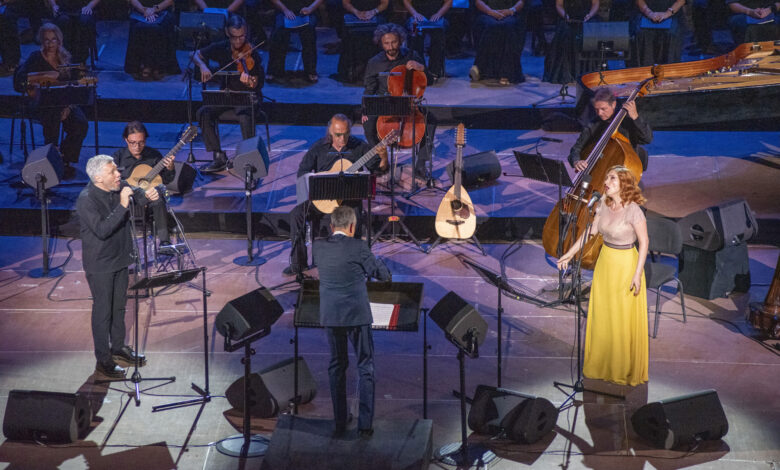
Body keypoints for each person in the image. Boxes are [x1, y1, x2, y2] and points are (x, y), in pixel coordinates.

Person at [556, 165, 649, 386]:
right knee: (604, 314)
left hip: (626, 264)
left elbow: (644, 242)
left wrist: (637, 274)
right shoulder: (603, 205)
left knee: (620, 317)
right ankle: (601, 365)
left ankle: (620, 368)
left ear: (624, 184)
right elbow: (589, 233)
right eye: (606, 178)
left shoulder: (633, 210)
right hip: (605, 263)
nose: (606, 182)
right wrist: (569, 254)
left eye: (612, 178)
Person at [312, 205, 392, 437]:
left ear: (331, 226)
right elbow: (383, 275)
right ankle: (365, 425)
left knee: (337, 365)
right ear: (352, 227)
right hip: (357, 315)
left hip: (331, 315)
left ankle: (339, 421)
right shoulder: (359, 247)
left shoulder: (318, 247)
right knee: (365, 366)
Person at [77, 155, 157, 378]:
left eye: (116, 170)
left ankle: (119, 347)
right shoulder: (86, 200)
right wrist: (123, 204)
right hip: (101, 264)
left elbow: (135, 194)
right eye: (112, 172)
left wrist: (147, 196)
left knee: (119, 307)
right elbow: (102, 230)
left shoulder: (118, 186)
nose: (118, 175)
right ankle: (103, 360)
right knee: (103, 311)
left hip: (120, 258)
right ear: (98, 178)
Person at [285, 113, 387, 276]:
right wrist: (318, 180)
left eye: (346, 134)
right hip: (322, 198)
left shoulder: (359, 147)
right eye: (338, 135)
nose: (342, 139)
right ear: (330, 132)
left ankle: (352, 264)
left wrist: (383, 156)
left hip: (347, 200)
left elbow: (379, 170)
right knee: (296, 215)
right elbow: (302, 172)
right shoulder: (318, 148)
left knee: (355, 217)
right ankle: (298, 264)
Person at [14, 23, 89, 178]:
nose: (50, 44)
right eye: (46, 40)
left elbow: (72, 86)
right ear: (42, 41)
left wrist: (68, 107)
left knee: (80, 123)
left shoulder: (66, 58)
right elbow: (19, 80)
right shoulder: (35, 57)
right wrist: (38, 81)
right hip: (42, 104)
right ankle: (50, 159)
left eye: (53, 39)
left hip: (65, 103)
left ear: (59, 40)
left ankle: (65, 159)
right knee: (53, 117)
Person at [362, 23, 437, 178]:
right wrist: (365, 109)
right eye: (386, 43)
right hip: (386, 104)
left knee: (431, 121)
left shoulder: (412, 55)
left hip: (409, 103)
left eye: (394, 42)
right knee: (368, 123)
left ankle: (421, 164)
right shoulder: (374, 62)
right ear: (381, 43)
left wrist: (421, 67)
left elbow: (429, 80)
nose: (391, 47)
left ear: (401, 40)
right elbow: (369, 89)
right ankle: (380, 160)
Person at [193, 14, 264, 173]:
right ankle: (219, 156)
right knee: (203, 112)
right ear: (227, 33)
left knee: (244, 116)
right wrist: (203, 66)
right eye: (234, 37)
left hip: (248, 99)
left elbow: (257, 83)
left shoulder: (253, 52)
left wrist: (249, 81)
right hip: (227, 97)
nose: (238, 41)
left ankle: (249, 159)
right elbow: (195, 55)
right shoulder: (221, 47)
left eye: (242, 36)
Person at [112, 121, 176, 248]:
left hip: (151, 198)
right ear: (126, 140)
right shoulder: (118, 157)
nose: (137, 146)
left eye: (141, 142)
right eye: (133, 142)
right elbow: (113, 181)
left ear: (145, 140)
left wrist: (170, 168)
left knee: (158, 198)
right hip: (128, 199)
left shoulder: (154, 155)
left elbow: (166, 180)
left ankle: (165, 242)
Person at [568, 87, 652, 172]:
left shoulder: (627, 121)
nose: (599, 113)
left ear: (613, 104)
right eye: (596, 109)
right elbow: (576, 149)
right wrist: (576, 161)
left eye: (603, 109)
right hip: (601, 168)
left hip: (625, 170)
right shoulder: (593, 124)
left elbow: (647, 139)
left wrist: (635, 117)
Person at [469, 0, 527, 85]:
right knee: (491, 25)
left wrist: (511, 10)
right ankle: (480, 68)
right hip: (487, 12)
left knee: (508, 26)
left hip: (510, 13)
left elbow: (521, 1)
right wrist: (490, 12)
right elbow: (478, 1)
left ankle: (507, 72)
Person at [543, 0, 599, 84]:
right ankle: (566, 73)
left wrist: (590, 15)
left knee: (590, 31)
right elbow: (559, 5)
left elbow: (595, 4)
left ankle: (588, 72)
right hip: (568, 17)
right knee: (565, 32)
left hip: (587, 17)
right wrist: (565, 16)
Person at [267, 0, 323, 83]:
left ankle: (310, 71)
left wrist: (310, 8)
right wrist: (285, 9)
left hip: (307, 9)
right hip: (284, 9)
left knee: (309, 31)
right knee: (279, 30)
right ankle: (275, 70)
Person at [125, 0, 181, 80]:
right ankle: (143, 65)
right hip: (141, 11)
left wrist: (154, 10)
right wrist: (144, 11)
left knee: (158, 27)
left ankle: (158, 66)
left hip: (162, 10)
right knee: (140, 26)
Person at [336, 0, 388, 83]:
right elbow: (345, 3)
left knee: (378, 31)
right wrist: (356, 12)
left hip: (376, 13)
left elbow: (385, 3)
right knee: (350, 32)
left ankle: (375, 70)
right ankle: (353, 71)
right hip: (354, 12)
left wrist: (373, 12)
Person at [403, 0, 451, 81]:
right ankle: (419, 68)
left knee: (438, 35)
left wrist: (439, 14)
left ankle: (435, 71)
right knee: (415, 35)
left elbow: (449, 1)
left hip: (437, 15)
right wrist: (415, 13)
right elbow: (406, 1)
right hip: (416, 15)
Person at [633, 0, 685, 66]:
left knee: (671, 35)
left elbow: (681, 1)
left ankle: (669, 70)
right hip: (645, 13)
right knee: (642, 35)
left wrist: (667, 13)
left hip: (672, 14)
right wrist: (649, 13)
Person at [49, 0, 100, 65]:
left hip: (83, 7)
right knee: (63, 21)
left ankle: (81, 58)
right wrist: (54, 5)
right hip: (63, 9)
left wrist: (89, 6)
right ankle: (65, 56)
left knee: (84, 21)